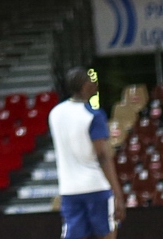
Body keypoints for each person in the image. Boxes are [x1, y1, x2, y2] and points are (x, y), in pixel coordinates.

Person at [48, 69, 123, 239]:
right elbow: (103, 157)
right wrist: (118, 194)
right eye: (91, 80)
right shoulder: (93, 115)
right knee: (107, 232)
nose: (95, 84)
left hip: (68, 189)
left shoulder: (55, 113)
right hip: (96, 186)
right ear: (84, 86)